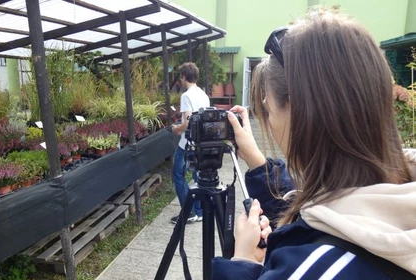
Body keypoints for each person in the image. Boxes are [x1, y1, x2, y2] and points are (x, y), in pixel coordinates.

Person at [212, 8, 416, 279]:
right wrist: (255, 159)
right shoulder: (396, 196)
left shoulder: (314, 268)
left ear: (301, 115)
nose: (270, 126)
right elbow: (328, 206)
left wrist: (243, 262)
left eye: (269, 112)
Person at [171, 62, 210, 224]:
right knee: (197, 176)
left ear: (184, 77)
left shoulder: (186, 96)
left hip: (187, 144)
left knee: (178, 175)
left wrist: (177, 128)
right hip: (201, 143)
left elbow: (187, 122)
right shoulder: (203, 95)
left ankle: (189, 212)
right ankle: (199, 211)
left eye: (181, 76)